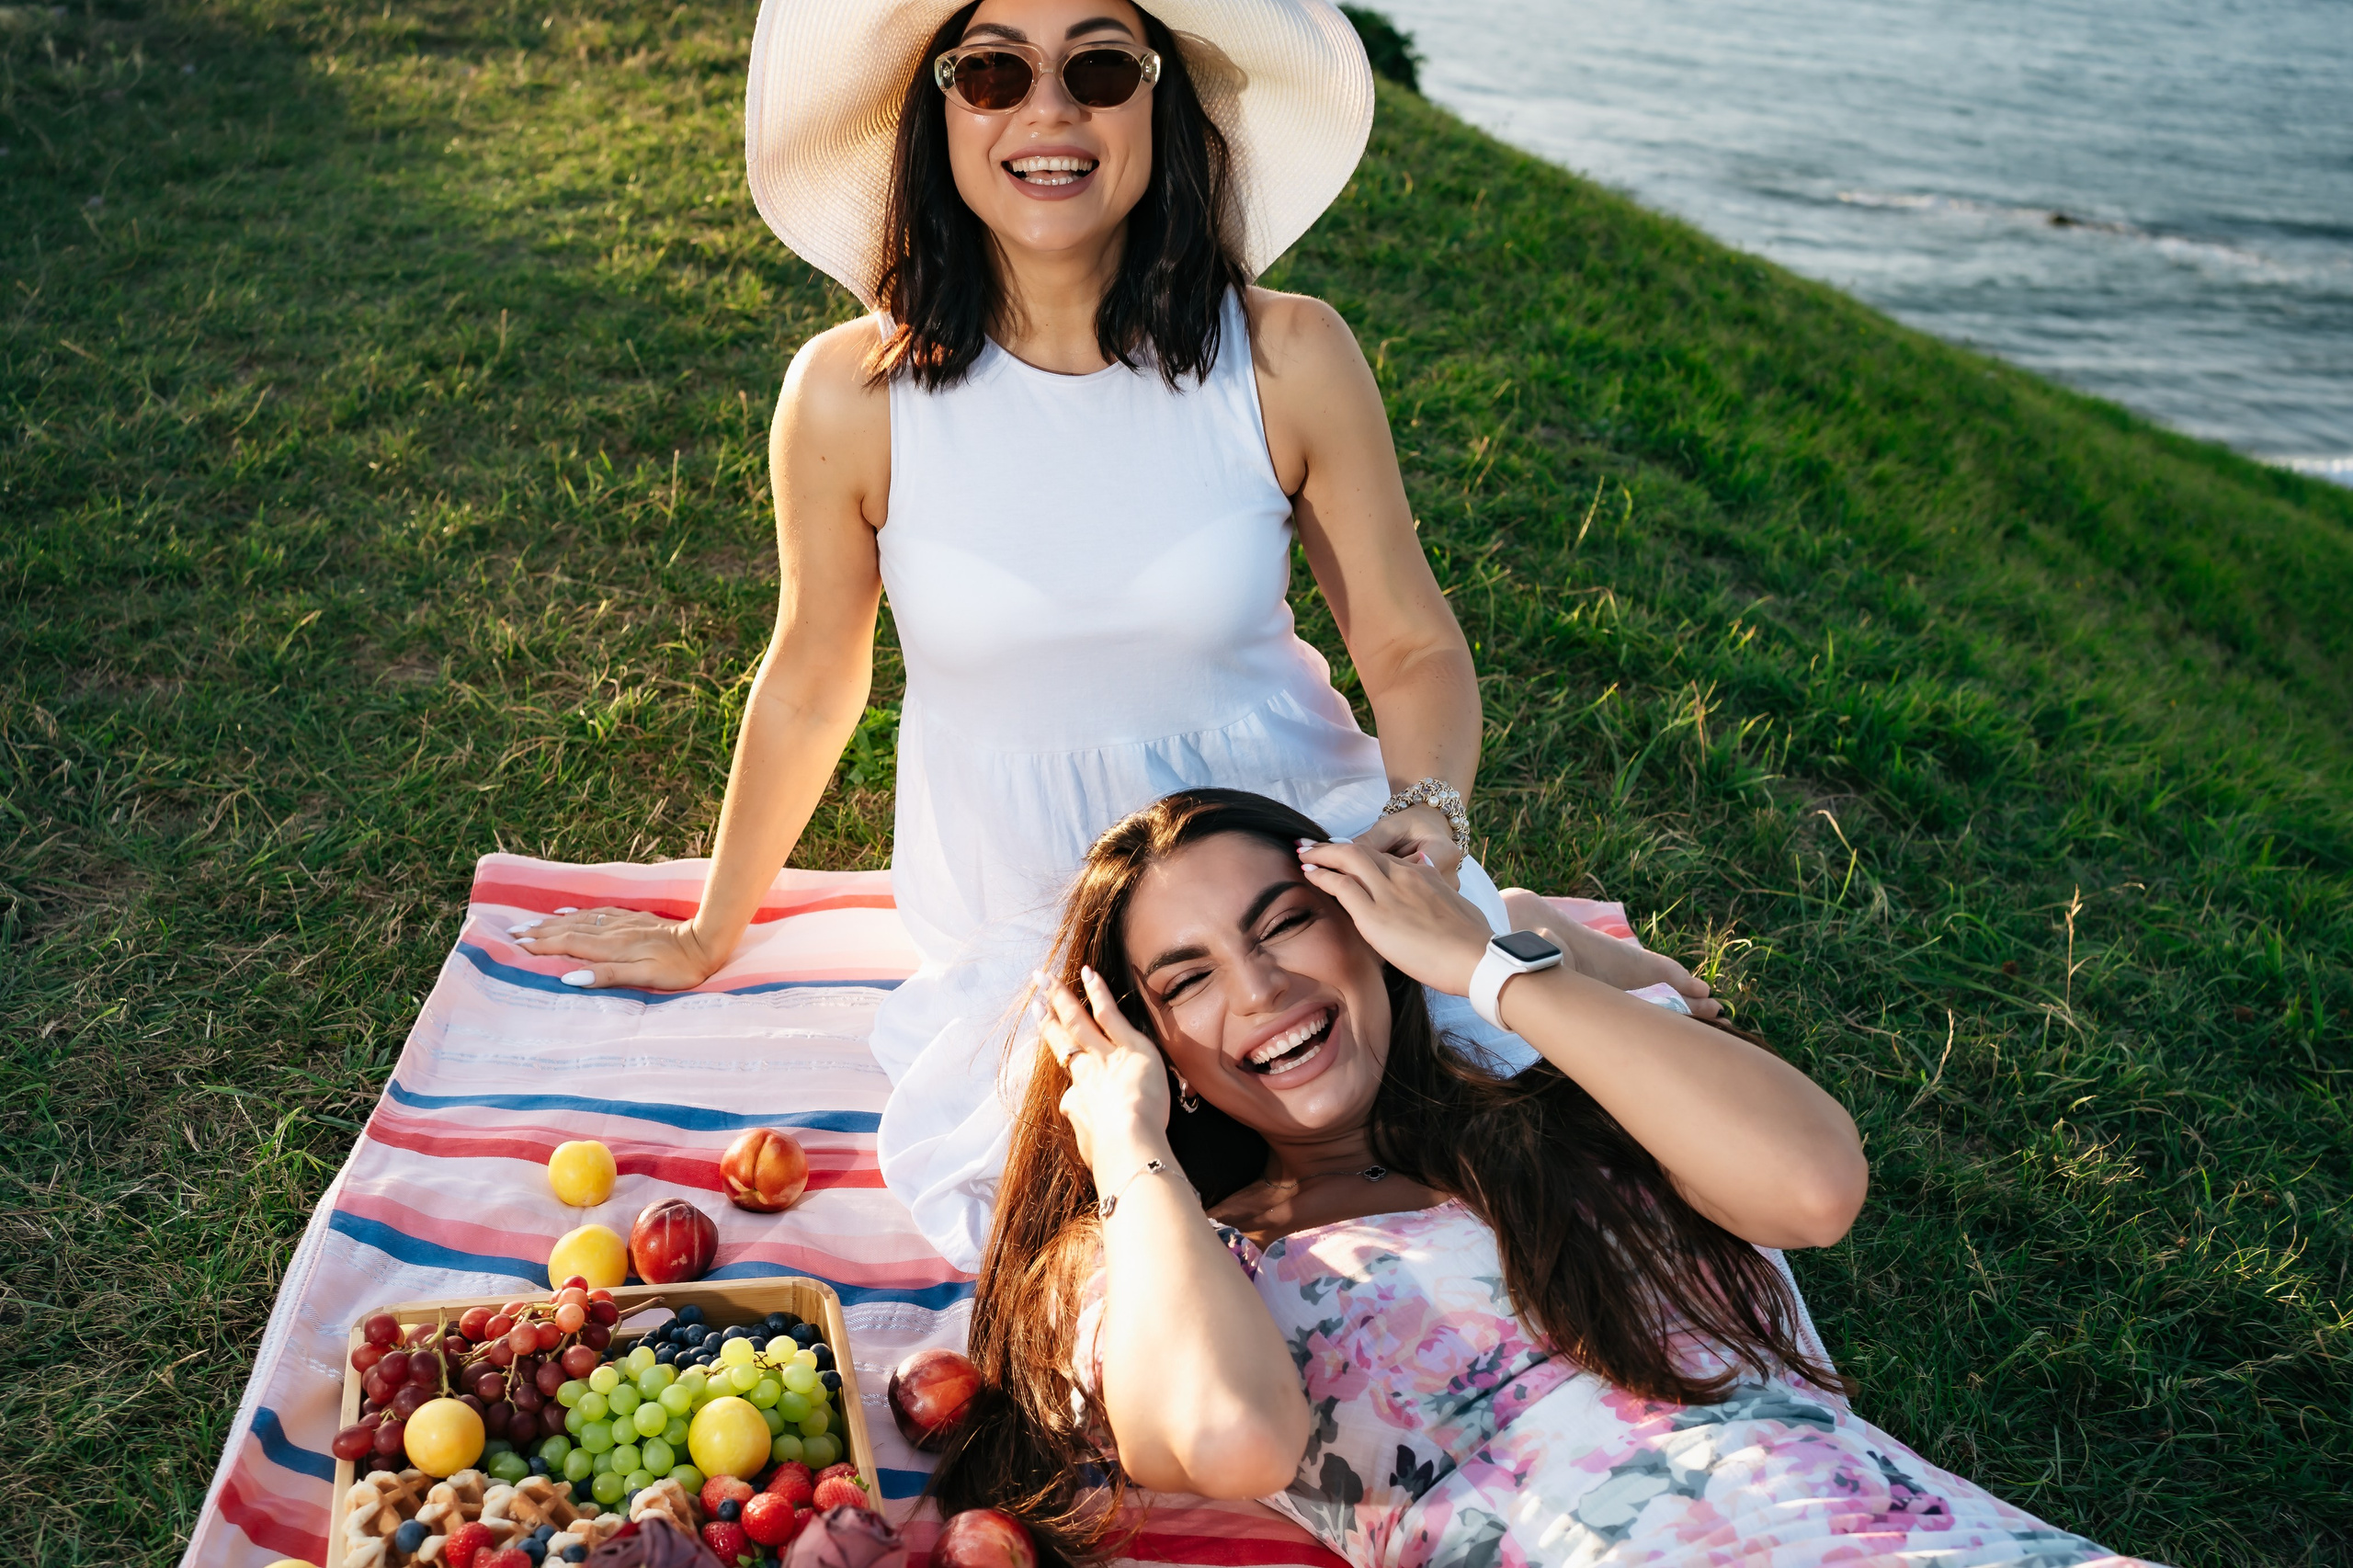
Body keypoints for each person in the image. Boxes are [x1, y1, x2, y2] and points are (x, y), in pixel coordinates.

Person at [508, 0, 1711, 1268]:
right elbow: (813, 678)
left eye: (1096, 66)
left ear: (1158, 101)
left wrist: (1429, 816)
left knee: (1508, 1141)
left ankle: (1505, 920)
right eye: (991, 71)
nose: (1048, 113)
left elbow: (1409, 644)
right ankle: (1513, 924)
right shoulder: (849, 395)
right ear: (939, 110)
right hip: (1042, 906)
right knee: (1095, 1202)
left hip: (1291, 858)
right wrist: (711, 927)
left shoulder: (1289, 355)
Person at [932, 789, 2162, 1568]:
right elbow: (1230, 1432)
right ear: (1150, 1045)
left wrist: (1491, 963)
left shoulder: (1555, 1117)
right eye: (1187, 977)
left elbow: (1814, 1183)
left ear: (1365, 926)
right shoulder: (1155, 1256)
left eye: (1285, 922)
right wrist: (1128, 1142)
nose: (1261, 990)